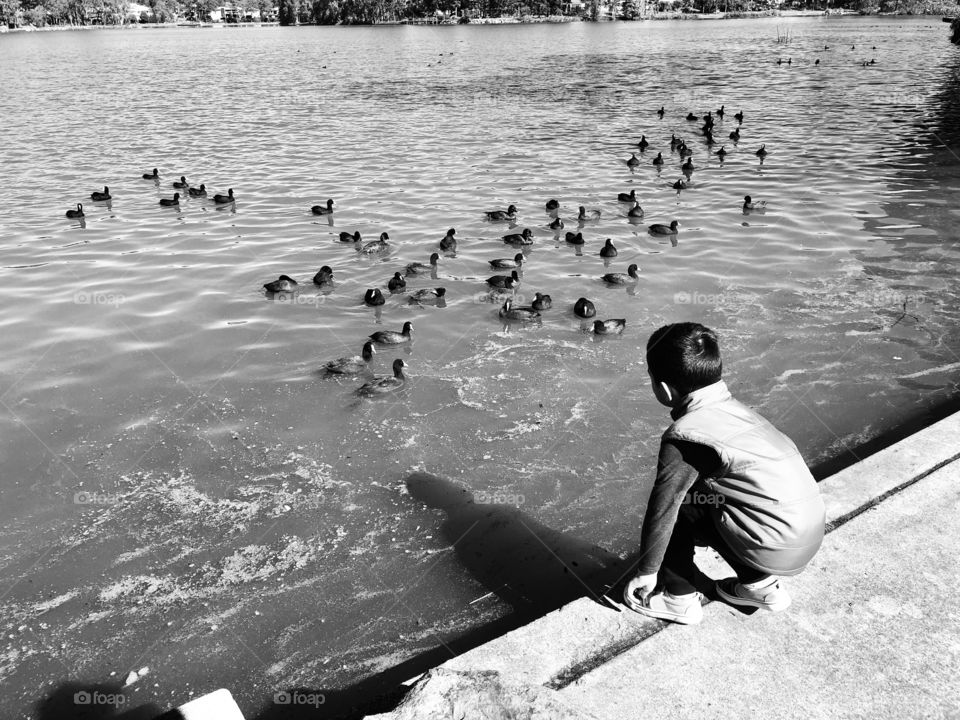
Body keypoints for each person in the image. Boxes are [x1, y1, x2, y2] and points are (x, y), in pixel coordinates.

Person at [624, 322, 825, 625]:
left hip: (774, 543)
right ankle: (760, 586)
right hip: (805, 534)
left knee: (681, 501)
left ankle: (677, 597)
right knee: (710, 492)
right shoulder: (736, 411)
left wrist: (646, 570)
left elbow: (663, 510)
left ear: (663, 389)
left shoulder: (685, 435)